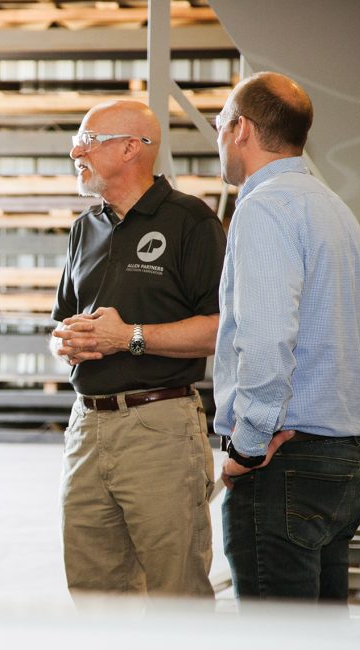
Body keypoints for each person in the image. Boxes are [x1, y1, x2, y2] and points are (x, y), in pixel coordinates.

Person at [51, 100, 225, 598]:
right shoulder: (86, 228)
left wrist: (129, 336)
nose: (75, 150)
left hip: (160, 428)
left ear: (131, 148)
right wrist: (66, 341)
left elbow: (220, 329)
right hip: (86, 426)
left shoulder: (190, 222)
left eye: (87, 138)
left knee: (175, 591)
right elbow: (60, 320)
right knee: (93, 588)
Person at [212, 72, 360, 601]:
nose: (217, 137)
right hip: (341, 463)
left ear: (241, 129)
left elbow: (265, 341)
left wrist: (248, 444)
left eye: (220, 124)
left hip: (283, 463)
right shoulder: (335, 209)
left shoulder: (264, 208)